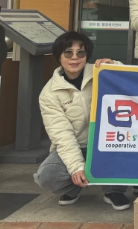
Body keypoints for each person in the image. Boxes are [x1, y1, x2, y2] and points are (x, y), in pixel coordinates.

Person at [33, 32, 130, 210]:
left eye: (81, 53)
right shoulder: (49, 93)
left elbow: (131, 80)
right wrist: (75, 167)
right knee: (47, 175)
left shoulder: (101, 72)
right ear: (59, 56)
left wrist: (116, 66)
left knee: (127, 149)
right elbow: (62, 135)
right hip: (76, 145)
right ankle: (75, 186)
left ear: (87, 55)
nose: (75, 57)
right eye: (68, 53)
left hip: (107, 143)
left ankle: (114, 190)